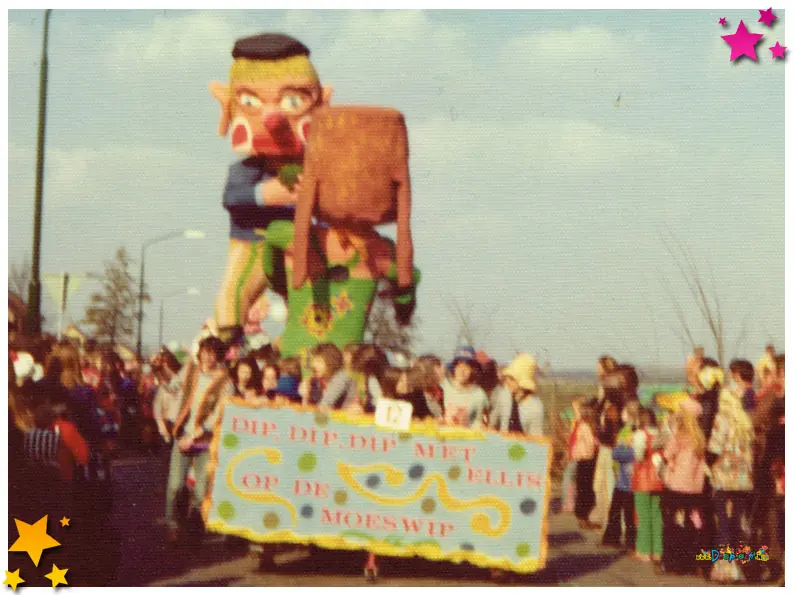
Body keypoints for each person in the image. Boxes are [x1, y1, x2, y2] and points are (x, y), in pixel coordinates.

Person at [164, 336, 234, 543]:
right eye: (205, 351)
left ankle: (194, 527)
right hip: (183, 435)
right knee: (176, 485)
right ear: (200, 352)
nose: (207, 356)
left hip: (205, 440)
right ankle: (173, 525)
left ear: (218, 355)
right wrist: (162, 371)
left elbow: (221, 412)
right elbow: (171, 388)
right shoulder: (190, 370)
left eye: (212, 352)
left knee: (202, 489)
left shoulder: (225, 381)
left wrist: (198, 432)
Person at [707, 387, 754, 582]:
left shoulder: (722, 418)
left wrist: (708, 462)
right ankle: (741, 566)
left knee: (723, 523)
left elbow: (715, 447)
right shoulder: (745, 419)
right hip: (743, 479)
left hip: (724, 478)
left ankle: (726, 569)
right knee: (737, 522)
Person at [659, 399, 707, 575]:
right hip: (695, 487)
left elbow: (667, 453)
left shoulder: (680, 434)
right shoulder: (700, 436)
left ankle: (673, 563)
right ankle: (691, 562)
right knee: (691, 525)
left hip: (677, 485)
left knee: (673, 525)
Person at [603, 401, 639, 548]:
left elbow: (620, 453)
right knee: (628, 511)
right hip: (631, 476)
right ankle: (630, 541)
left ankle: (614, 538)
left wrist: (615, 453)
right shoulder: (637, 430)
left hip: (624, 476)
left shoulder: (626, 431)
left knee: (618, 509)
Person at [632, 407, 664, 563]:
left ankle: (644, 550)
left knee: (643, 516)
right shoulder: (661, 433)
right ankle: (658, 550)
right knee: (657, 515)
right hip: (658, 478)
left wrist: (639, 457)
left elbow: (638, 454)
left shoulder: (640, 434)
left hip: (643, 478)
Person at [488, 353, 544, 436]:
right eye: (507, 377)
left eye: (512, 379)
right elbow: (492, 423)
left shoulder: (535, 407)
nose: (507, 381)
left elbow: (535, 441)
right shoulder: (503, 395)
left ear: (523, 382)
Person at [442, 347, 488, 428]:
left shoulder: (479, 394)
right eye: (459, 366)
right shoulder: (444, 386)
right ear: (454, 368)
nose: (461, 371)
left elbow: (478, 422)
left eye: (466, 367)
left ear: (473, 371)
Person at [590, 403, 619, 528]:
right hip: (611, 460)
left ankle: (605, 520)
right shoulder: (619, 429)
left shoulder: (604, 430)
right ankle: (604, 519)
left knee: (604, 490)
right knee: (607, 490)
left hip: (606, 460)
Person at [571, 402, 599, 530]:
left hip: (585, 460)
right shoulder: (585, 426)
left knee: (585, 489)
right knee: (585, 490)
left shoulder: (583, 425)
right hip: (586, 459)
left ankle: (584, 517)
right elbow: (590, 442)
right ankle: (583, 518)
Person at [310, 343, 358, 411]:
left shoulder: (342, 376)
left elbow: (324, 405)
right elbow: (312, 404)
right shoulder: (318, 381)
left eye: (319, 361)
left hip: (349, 419)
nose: (313, 365)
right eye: (313, 360)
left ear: (331, 362)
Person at [152, 348, 184, 445]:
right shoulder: (164, 384)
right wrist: (160, 423)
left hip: (179, 424)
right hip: (167, 424)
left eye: (164, 363)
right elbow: (157, 405)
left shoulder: (181, 379)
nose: (162, 365)